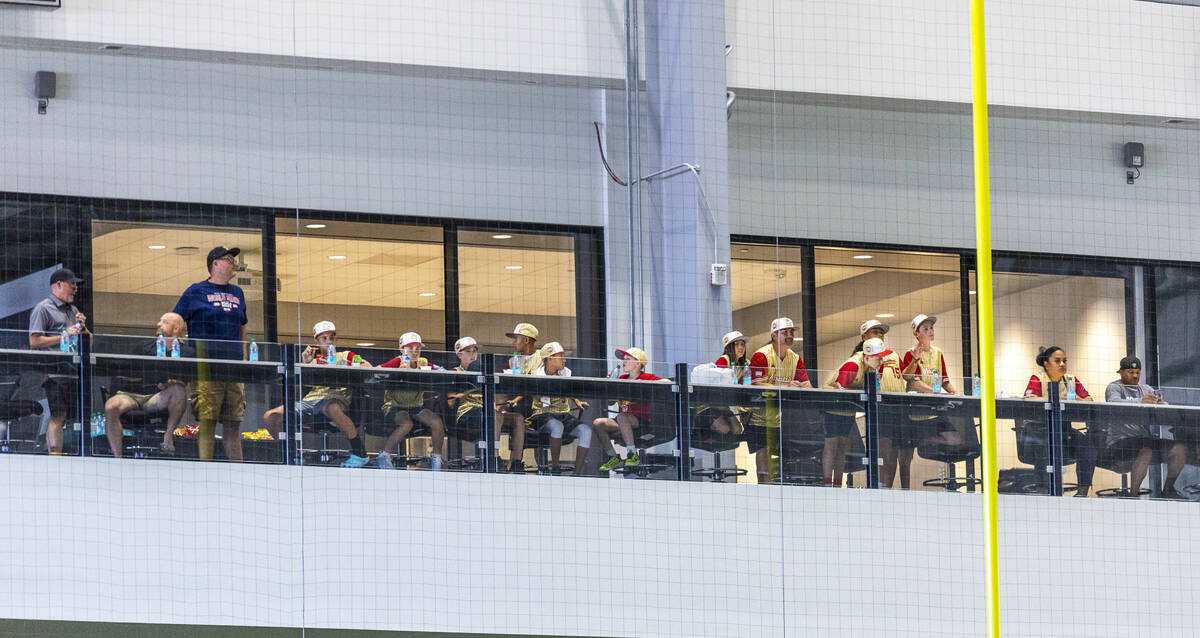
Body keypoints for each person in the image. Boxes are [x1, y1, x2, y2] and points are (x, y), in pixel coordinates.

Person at [172, 246, 248, 462]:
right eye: (228, 259)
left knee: (234, 422)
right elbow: (174, 320)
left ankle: (237, 470)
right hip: (206, 368)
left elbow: (243, 326)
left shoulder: (238, 293)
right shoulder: (196, 291)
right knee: (208, 421)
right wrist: (179, 346)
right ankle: (206, 469)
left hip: (233, 368)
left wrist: (244, 358)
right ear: (215, 263)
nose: (233, 263)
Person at [262, 321, 372, 468]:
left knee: (331, 408)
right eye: (324, 338)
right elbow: (297, 393)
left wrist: (350, 367)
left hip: (335, 400)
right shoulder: (313, 360)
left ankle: (360, 453)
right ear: (316, 341)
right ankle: (289, 454)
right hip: (310, 402)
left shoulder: (346, 355)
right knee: (270, 416)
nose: (329, 341)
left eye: (332, 337)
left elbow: (369, 367)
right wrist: (304, 365)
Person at [104, 312, 194, 458]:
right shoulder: (144, 347)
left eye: (164, 322)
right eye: (159, 321)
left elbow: (185, 380)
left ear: (176, 329)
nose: (158, 324)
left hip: (157, 398)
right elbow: (129, 371)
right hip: (133, 395)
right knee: (111, 406)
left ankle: (168, 438)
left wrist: (171, 383)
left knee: (178, 391)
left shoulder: (187, 352)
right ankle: (117, 457)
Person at [894, 314, 963, 488]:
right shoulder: (911, 354)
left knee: (954, 439)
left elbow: (944, 379)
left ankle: (924, 441)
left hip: (934, 410)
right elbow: (911, 379)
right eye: (925, 329)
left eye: (931, 328)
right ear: (916, 334)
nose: (930, 331)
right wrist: (935, 392)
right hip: (914, 411)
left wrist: (954, 393)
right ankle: (905, 489)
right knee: (905, 455)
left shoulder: (938, 353)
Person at [826, 336, 905, 486]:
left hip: (848, 410)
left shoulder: (874, 367)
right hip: (834, 408)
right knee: (833, 446)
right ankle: (827, 483)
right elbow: (841, 391)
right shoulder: (852, 365)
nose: (881, 362)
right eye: (878, 359)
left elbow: (872, 390)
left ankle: (837, 483)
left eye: (882, 358)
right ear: (867, 357)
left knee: (842, 448)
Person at [1103, 356, 1186, 499]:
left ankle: (1167, 490)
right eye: (1130, 372)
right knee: (1146, 451)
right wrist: (1140, 401)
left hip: (1144, 438)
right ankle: (1133, 496)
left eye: (1137, 372)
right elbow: (1114, 404)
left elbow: (1165, 405)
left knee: (1179, 449)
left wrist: (1160, 403)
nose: (1135, 376)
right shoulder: (1114, 387)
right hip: (1120, 441)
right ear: (1121, 372)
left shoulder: (1146, 388)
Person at [28, 268, 90, 455]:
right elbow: (34, 341)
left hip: (72, 372)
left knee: (68, 417)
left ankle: (57, 451)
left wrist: (83, 329)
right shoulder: (43, 308)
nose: (75, 289)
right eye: (72, 285)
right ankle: (54, 455)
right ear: (59, 285)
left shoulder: (74, 311)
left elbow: (88, 342)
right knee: (58, 414)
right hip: (54, 372)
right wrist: (63, 335)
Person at [1023, 346, 1096, 496]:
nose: (1062, 364)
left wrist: (1074, 398)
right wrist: (1057, 398)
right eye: (1057, 361)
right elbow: (1029, 398)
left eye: (1064, 361)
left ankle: (1082, 492)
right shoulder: (1037, 378)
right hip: (1039, 429)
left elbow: (1089, 399)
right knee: (1044, 445)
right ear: (1046, 363)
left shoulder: (1071, 380)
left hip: (1064, 430)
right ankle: (1042, 491)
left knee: (1088, 446)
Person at [746, 317, 812, 483]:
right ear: (774, 335)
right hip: (757, 417)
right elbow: (758, 385)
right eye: (785, 332)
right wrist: (786, 386)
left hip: (779, 419)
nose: (790, 335)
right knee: (764, 462)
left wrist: (801, 386)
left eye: (791, 332)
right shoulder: (761, 356)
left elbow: (807, 384)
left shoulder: (795, 358)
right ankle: (764, 493)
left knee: (774, 461)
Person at [377, 332, 447, 470]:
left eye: (418, 348)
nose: (415, 351)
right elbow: (378, 370)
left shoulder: (423, 362)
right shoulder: (397, 361)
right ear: (402, 349)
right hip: (395, 405)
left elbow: (442, 370)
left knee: (436, 421)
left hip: (416, 406)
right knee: (406, 423)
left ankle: (436, 458)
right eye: (410, 348)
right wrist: (395, 373)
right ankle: (384, 456)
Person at [592, 347, 669, 471]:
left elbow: (666, 381)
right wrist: (609, 385)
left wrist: (650, 386)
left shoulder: (646, 377)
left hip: (641, 421)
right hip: (622, 421)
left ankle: (632, 454)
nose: (624, 361)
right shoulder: (621, 378)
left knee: (622, 417)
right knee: (598, 423)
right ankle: (613, 457)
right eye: (623, 359)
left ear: (638, 363)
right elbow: (610, 402)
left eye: (628, 359)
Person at [529, 342, 589, 473]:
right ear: (549, 359)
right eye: (560, 356)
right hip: (542, 415)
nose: (564, 359)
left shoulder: (565, 374)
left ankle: (577, 473)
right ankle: (556, 467)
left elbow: (570, 389)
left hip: (563, 415)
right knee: (557, 426)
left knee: (586, 430)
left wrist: (577, 400)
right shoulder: (534, 374)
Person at [495, 323, 543, 472]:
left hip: (539, 406)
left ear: (527, 340)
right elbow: (509, 387)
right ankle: (512, 462)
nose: (514, 342)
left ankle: (541, 468)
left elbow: (537, 385)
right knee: (503, 412)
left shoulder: (542, 357)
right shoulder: (512, 361)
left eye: (517, 339)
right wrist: (500, 404)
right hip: (517, 406)